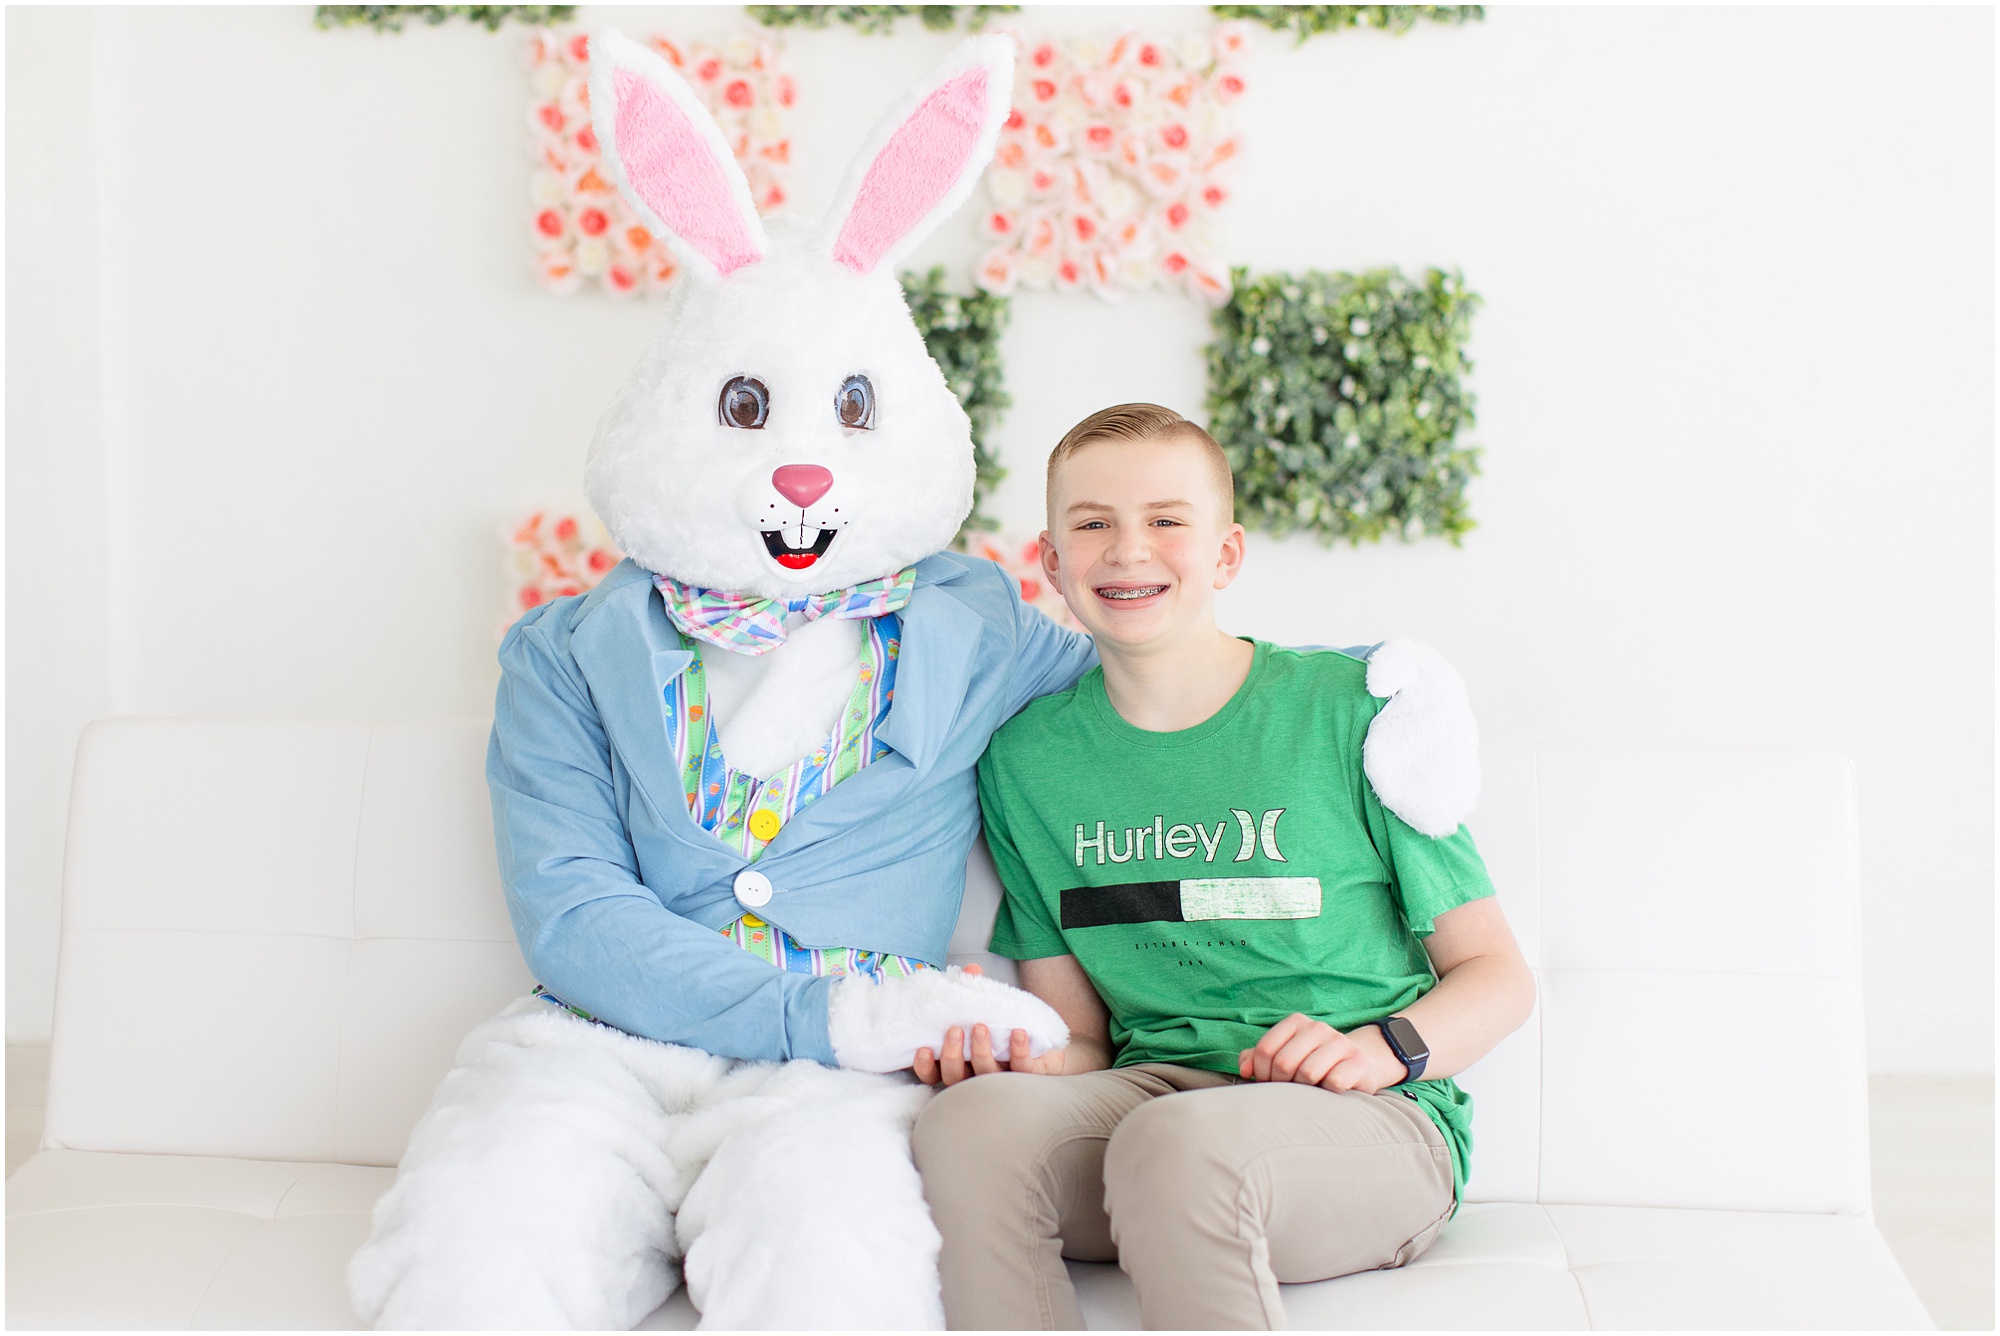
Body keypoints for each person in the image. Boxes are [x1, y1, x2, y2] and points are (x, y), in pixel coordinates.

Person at [909, 403, 1537, 1330]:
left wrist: (1379, 1052)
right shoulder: (1025, 760)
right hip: (1149, 1105)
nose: (1129, 551)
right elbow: (1083, 1041)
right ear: (1049, 561)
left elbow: (1499, 976)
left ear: (1227, 554)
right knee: (964, 1130)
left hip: (1367, 1122)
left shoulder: (1353, 712)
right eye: (1093, 525)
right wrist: (1014, 1058)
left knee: (1176, 1144)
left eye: (1167, 521)